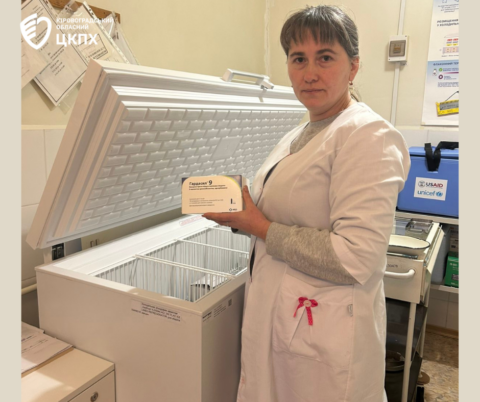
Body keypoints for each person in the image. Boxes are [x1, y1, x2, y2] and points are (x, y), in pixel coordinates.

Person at [203, 5, 410, 402]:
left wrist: (259, 226)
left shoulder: (367, 136)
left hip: (323, 334)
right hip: (287, 318)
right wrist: (242, 214)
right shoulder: (303, 131)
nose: (309, 73)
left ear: (353, 66)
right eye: (298, 59)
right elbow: (286, 211)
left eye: (325, 57)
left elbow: (356, 257)